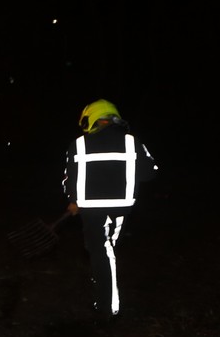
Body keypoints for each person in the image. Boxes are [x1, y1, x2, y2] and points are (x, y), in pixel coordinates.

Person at [61, 99, 158, 321]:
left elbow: (68, 178)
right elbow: (150, 172)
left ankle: (107, 307)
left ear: (91, 119)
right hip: (121, 207)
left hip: (90, 210)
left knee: (101, 251)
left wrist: (73, 199)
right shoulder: (133, 142)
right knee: (105, 249)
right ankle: (102, 281)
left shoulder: (78, 144)